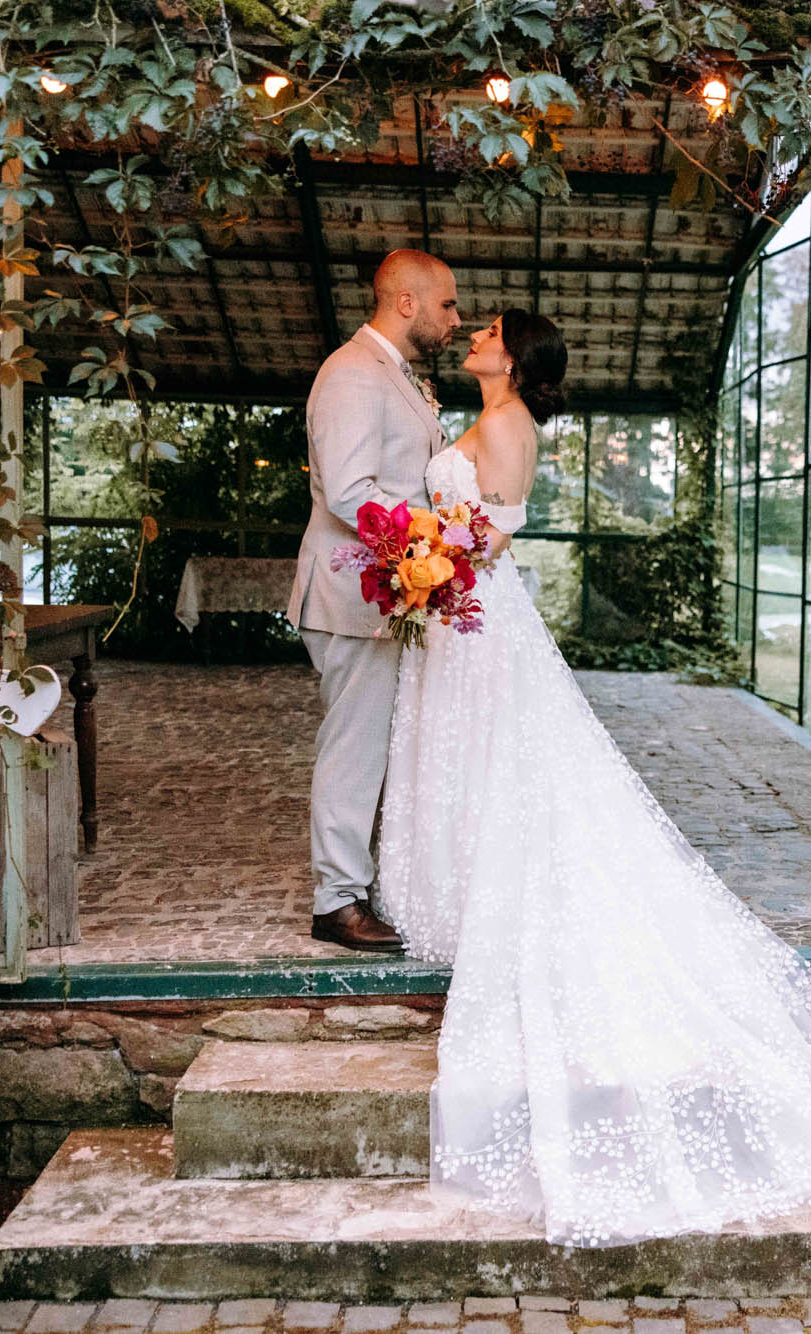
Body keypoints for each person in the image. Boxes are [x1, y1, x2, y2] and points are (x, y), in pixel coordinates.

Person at [376, 309, 811, 1248]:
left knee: (501, 767)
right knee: (470, 762)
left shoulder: (507, 426)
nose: (475, 337)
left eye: (488, 330)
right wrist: (420, 556)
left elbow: (493, 536)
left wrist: (431, 560)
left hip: (475, 612)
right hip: (457, 612)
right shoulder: (486, 418)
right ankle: (455, 889)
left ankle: (487, 892)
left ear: (517, 357)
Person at [289, 249, 459, 954]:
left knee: (379, 746)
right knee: (354, 748)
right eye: (448, 304)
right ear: (408, 302)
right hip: (352, 592)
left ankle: (362, 881)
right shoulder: (354, 375)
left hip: (385, 593)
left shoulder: (395, 376)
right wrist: (425, 551)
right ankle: (335, 901)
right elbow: (352, 489)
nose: (457, 317)